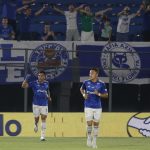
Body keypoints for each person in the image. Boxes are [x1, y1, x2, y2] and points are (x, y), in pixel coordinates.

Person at [80, 67, 108, 148]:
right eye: (90, 73)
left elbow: (106, 95)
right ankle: (89, 138)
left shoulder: (101, 83)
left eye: (92, 73)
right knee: (89, 124)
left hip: (97, 107)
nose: (90, 74)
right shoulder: (86, 82)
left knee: (96, 124)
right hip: (88, 106)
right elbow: (81, 89)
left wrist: (98, 94)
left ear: (96, 74)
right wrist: (84, 95)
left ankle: (94, 141)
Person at [22, 70, 52, 141]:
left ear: (44, 77)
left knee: (44, 119)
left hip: (44, 104)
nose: (40, 77)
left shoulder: (47, 83)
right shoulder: (34, 83)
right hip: (36, 104)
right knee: (36, 118)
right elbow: (23, 86)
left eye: (41, 76)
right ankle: (35, 124)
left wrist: (49, 97)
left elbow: (48, 91)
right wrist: (26, 79)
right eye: (39, 75)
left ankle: (42, 136)